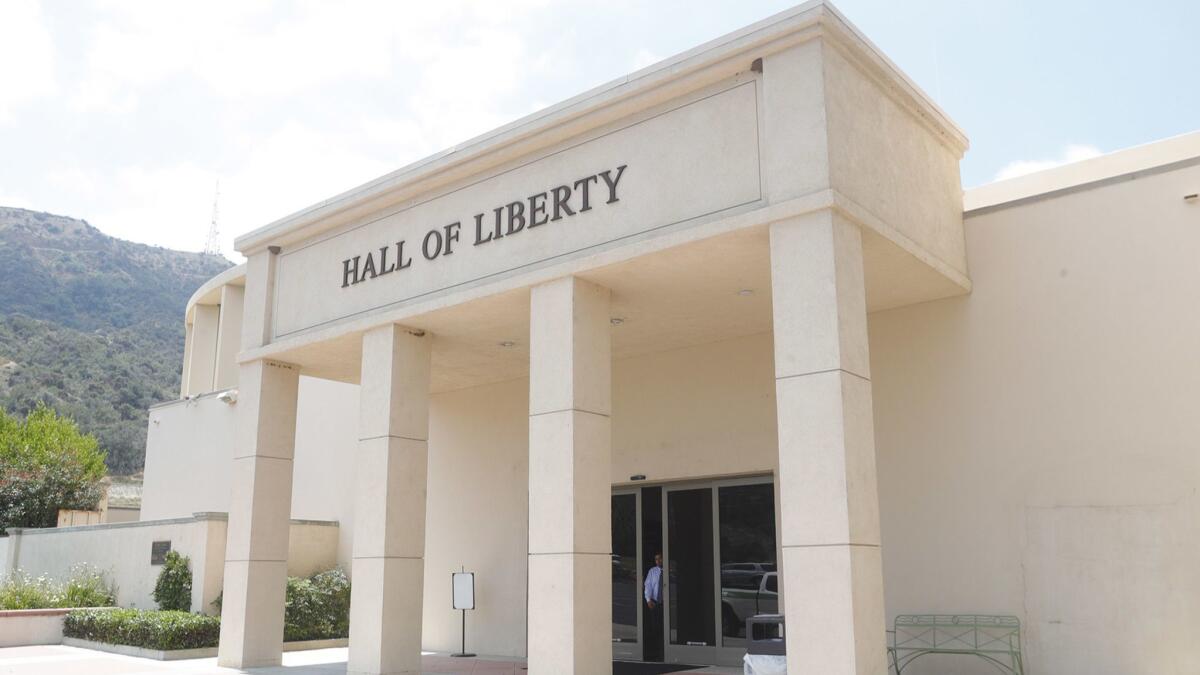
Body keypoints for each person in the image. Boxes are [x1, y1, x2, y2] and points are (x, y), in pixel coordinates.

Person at [643, 553, 664, 660]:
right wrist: (648, 599)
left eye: (660, 558)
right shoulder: (652, 571)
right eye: (656, 559)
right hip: (656, 603)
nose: (658, 561)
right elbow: (648, 585)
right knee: (656, 628)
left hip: (667, 604)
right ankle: (658, 652)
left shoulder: (670, 570)